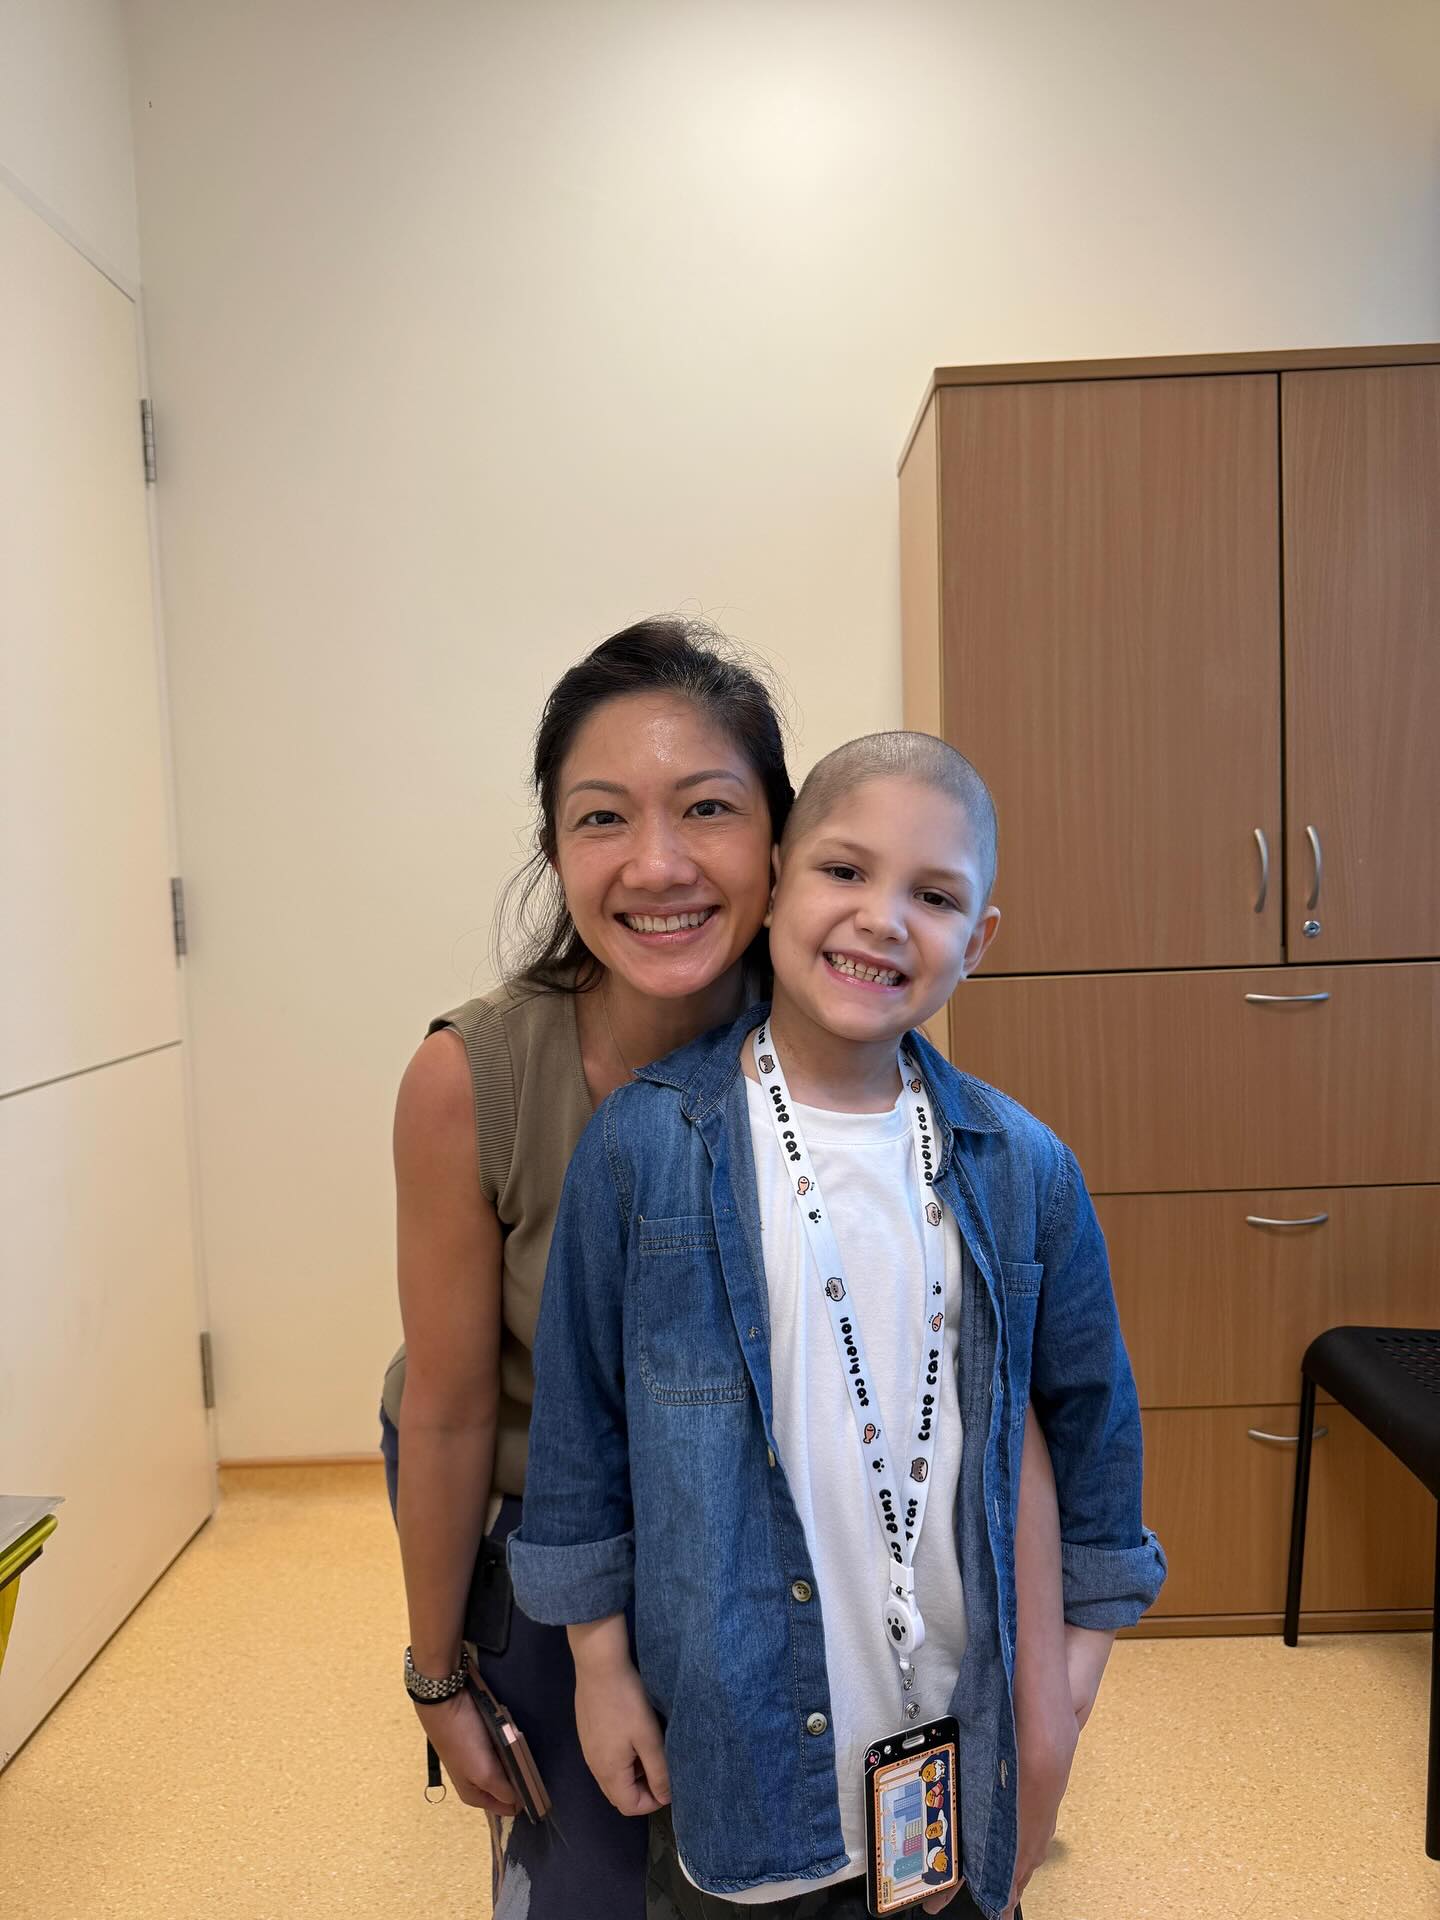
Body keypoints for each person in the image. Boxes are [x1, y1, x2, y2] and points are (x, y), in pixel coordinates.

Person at [510, 731, 1167, 1920]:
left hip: (958, 1747)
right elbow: (580, 1438)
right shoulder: (646, 1152)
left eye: (934, 895)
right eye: (845, 872)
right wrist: (600, 1669)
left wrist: (1070, 1682)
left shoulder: (1024, 1170)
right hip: (740, 1750)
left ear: (981, 941)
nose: (882, 919)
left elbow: (1095, 1428)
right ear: (773, 893)